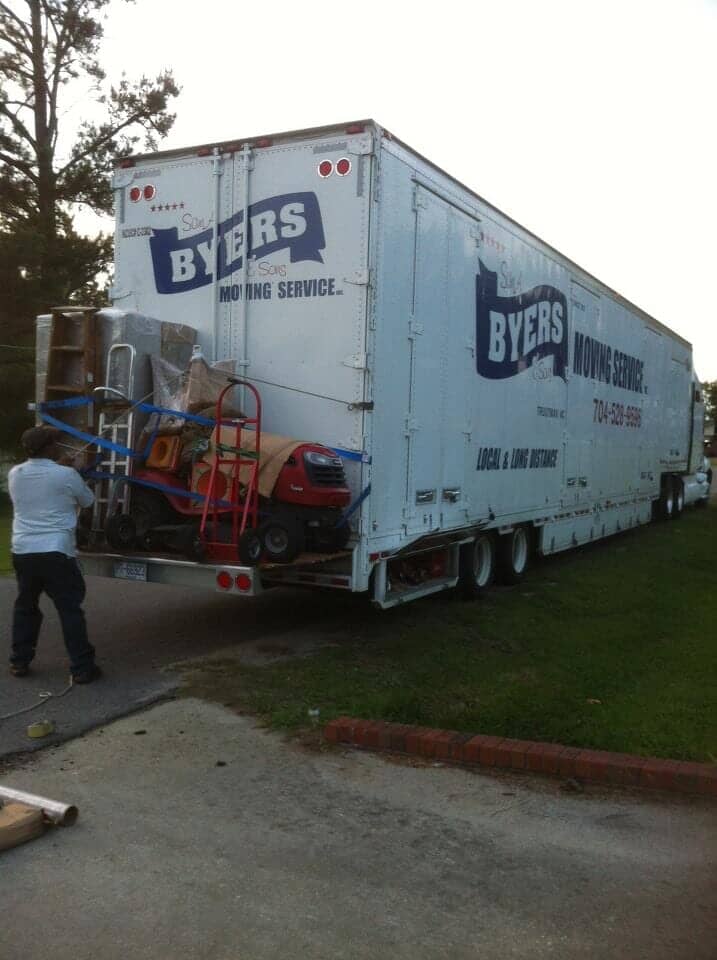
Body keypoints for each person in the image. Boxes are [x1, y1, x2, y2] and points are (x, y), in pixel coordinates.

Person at [7, 425, 101, 683]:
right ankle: (82, 668)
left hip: (23, 550)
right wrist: (71, 472)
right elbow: (88, 501)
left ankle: (19, 661)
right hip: (56, 550)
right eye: (56, 442)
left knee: (26, 606)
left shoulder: (15, 473)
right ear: (49, 447)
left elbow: (43, 479)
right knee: (69, 609)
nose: (59, 445)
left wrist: (62, 467)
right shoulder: (66, 474)